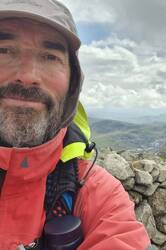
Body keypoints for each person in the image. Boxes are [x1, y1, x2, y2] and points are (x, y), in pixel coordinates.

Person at [0, 0, 151, 249]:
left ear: (72, 84)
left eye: (50, 56)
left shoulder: (98, 194)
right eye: (4, 50)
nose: (28, 76)